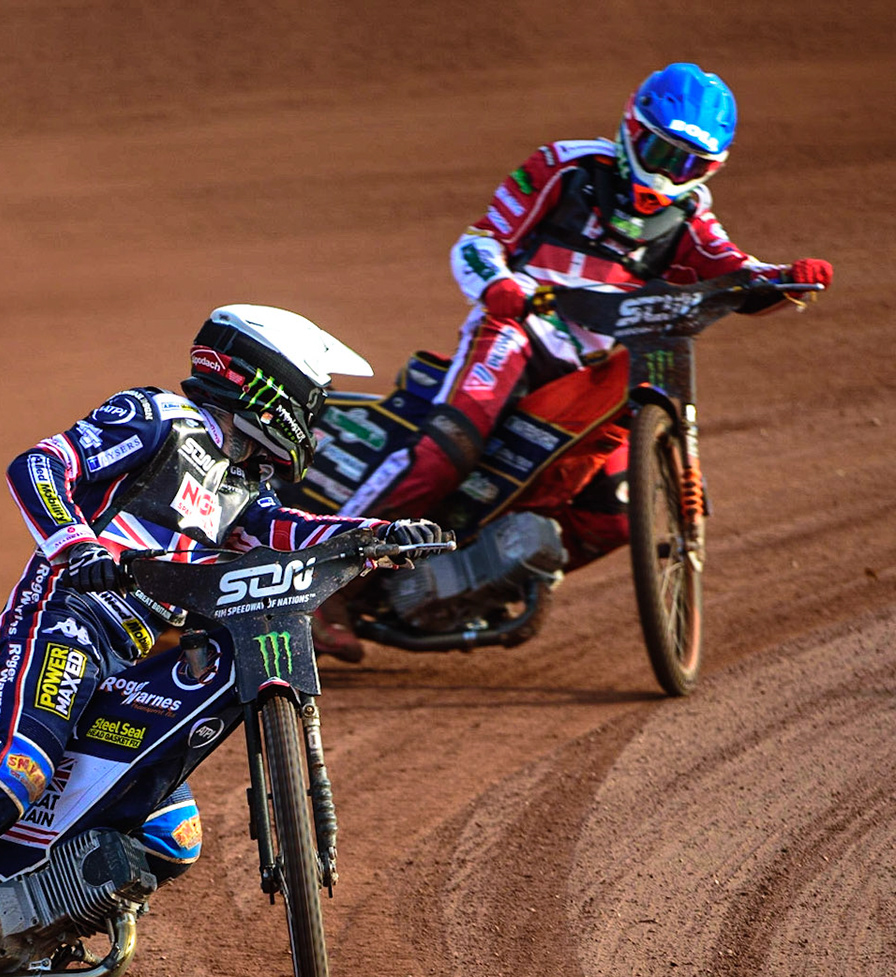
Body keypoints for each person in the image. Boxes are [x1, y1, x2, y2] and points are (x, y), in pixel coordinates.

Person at [0, 305, 441, 977]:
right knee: (17, 766)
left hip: (131, 654)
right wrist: (75, 545)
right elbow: (41, 465)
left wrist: (382, 533)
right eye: (311, 400)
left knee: (169, 833)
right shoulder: (157, 415)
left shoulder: (241, 485)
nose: (315, 420)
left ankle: (22, 918)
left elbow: (293, 530)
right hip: (64, 623)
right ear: (270, 386)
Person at [315, 62, 834, 661]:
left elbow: (733, 271)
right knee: (447, 449)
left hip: (593, 371)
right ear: (631, 130)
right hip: (516, 332)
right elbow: (478, 242)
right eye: (661, 151)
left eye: (688, 164)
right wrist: (498, 287)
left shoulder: (692, 217)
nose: (669, 174)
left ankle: (496, 569)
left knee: (618, 517)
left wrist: (786, 280)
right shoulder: (564, 166)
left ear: (711, 168)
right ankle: (323, 580)